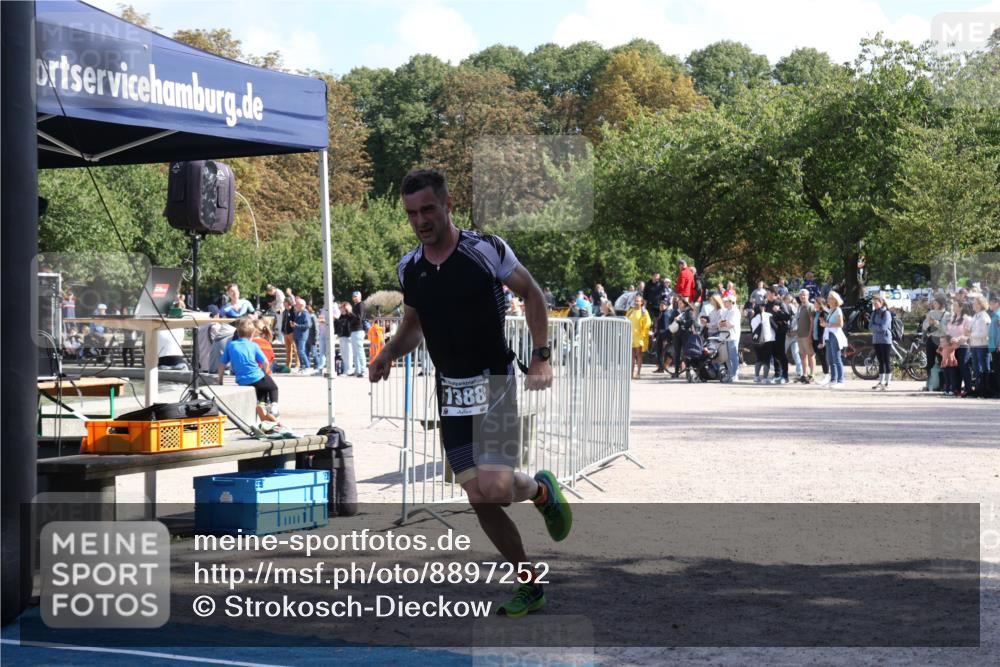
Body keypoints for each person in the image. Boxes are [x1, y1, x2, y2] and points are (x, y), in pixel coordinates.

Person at [369, 168, 571, 618]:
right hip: (452, 393)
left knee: (496, 489)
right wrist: (387, 354)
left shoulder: (485, 250)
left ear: (447, 205)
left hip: (495, 382)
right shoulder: (410, 267)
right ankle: (529, 585)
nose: (421, 220)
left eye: (428, 209)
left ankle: (541, 491)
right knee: (477, 497)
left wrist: (541, 355)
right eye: (412, 213)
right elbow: (413, 328)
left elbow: (533, 294)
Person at [219, 318, 280, 427]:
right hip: (257, 376)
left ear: (237, 332)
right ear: (253, 333)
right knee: (273, 387)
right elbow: (265, 362)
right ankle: (274, 407)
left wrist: (220, 380)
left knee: (262, 391)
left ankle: (262, 406)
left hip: (242, 380)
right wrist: (264, 373)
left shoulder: (231, 345)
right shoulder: (253, 345)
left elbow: (222, 364)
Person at [821, 291, 847, 389]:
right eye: (828, 298)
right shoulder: (831, 310)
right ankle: (833, 380)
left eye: (830, 298)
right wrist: (825, 324)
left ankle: (841, 380)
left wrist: (828, 325)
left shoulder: (838, 310)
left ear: (835, 300)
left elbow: (841, 324)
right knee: (830, 359)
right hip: (829, 335)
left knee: (836, 358)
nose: (828, 300)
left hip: (835, 336)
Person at [945, 300, 972, 397]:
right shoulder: (953, 318)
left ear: (961, 307)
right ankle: (956, 389)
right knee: (954, 368)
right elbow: (947, 331)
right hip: (952, 346)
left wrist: (958, 339)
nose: (954, 307)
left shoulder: (967, 319)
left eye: (956, 305)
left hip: (963, 346)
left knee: (964, 367)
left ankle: (968, 389)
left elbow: (968, 334)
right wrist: (949, 339)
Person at [765, 287, 792, 384]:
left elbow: (788, 316)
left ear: (773, 294)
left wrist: (779, 311)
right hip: (770, 333)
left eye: (768, 293)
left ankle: (785, 375)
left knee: (781, 353)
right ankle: (777, 374)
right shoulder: (767, 304)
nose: (767, 295)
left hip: (780, 332)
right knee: (774, 353)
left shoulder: (780, 303)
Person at [922, 296, 949, 390]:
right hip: (931, 339)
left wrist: (938, 324)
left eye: (936, 303)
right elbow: (924, 326)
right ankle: (929, 384)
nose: (934, 304)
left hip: (941, 340)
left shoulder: (947, 315)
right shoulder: (931, 313)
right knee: (930, 363)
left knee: (943, 362)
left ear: (941, 304)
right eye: (934, 303)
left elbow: (948, 331)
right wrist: (929, 323)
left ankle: (944, 384)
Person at [968, 295, 992, 397]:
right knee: (976, 369)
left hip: (982, 346)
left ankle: (985, 390)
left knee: (984, 368)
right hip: (974, 345)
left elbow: (985, 333)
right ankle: (978, 389)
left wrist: (970, 334)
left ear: (980, 305)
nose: (973, 305)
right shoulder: (975, 316)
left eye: (975, 303)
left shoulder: (984, 317)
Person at [869, 293, 893, 391]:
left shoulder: (886, 313)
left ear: (881, 302)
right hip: (876, 340)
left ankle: (888, 382)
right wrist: (875, 327)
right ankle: (881, 381)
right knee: (880, 361)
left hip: (885, 340)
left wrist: (875, 327)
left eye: (876, 303)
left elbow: (883, 327)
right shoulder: (873, 313)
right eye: (873, 303)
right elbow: (870, 326)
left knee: (886, 361)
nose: (874, 305)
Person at [626, 295, 653, 379]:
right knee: (632, 355)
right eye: (636, 301)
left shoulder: (644, 312)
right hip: (631, 335)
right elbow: (625, 319)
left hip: (640, 336)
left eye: (638, 301)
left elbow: (648, 322)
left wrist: (644, 332)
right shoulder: (630, 311)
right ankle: (631, 373)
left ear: (642, 302)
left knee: (638, 354)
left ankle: (638, 373)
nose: (637, 302)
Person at [718, 295, 741, 382]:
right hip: (725, 336)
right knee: (726, 357)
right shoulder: (725, 311)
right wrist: (723, 323)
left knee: (733, 356)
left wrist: (723, 323)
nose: (724, 303)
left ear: (731, 302)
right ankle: (731, 374)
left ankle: (735, 375)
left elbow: (731, 324)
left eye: (726, 301)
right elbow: (719, 322)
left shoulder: (736, 311)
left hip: (733, 337)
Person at [671, 298, 695, 378]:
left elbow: (690, 322)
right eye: (678, 303)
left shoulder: (688, 312)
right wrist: (674, 320)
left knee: (686, 353)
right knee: (677, 353)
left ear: (684, 304)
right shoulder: (675, 311)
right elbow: (670, 320)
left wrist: (680, 321)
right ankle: (676, 372)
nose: (679, 304)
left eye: (680, 303)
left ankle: (688, 371)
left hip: (685, 335)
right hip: (677, 335)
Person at [750, 303, 774, 383]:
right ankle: (765, 378)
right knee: (766, 359)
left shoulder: (753, 318)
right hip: (767, 340)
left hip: (756, 341)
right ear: (763, 308)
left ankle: (756, 376)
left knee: (759, 359)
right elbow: (775, 326)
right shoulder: (768, 315)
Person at [795, 290, 816, 383]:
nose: (802, 297)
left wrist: (810, 335)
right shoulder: (800, 307)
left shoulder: (810, 306)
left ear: (808, 296)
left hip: (807, 335)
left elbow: (812, 322)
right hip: (799, 335)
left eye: (804, 295)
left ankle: (812, 374)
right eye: (801, 295)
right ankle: (805, 374)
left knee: (811, 355)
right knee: (803, 355)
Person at [290, 297, 312, 373]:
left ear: (302, 305)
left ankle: (307, 366)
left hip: (302, 335)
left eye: (297, 304)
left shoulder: (305, 314)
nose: (295, 306)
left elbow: (308, 325)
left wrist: (297, 325)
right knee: (299, 351)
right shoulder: (298, 313)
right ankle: (302, 366)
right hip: (297, 335)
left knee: (301, 351)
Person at [652, 300, 672, 373]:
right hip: (660, 336)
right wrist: (655, 334)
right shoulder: (662, 313)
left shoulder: (665, 314)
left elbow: (665, 328)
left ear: (666, 306)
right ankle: (660, 367)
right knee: (659, 352)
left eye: (663, 305)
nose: (661, 306)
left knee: (661, 353)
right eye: (660, 305)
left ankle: (661, 368)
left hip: (663, 336)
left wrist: (665, 339)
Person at [281, 299, 299, 370]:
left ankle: (297, 364)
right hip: (285, 332)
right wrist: (282, 330)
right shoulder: (285, 311)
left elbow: (294, 321)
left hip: (291, 332)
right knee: (288, 350)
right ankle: (288, 365)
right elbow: (283, 321)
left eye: (284, 303)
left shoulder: (293, 311)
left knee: (295, 349)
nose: (283, 304)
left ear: (288, 303)